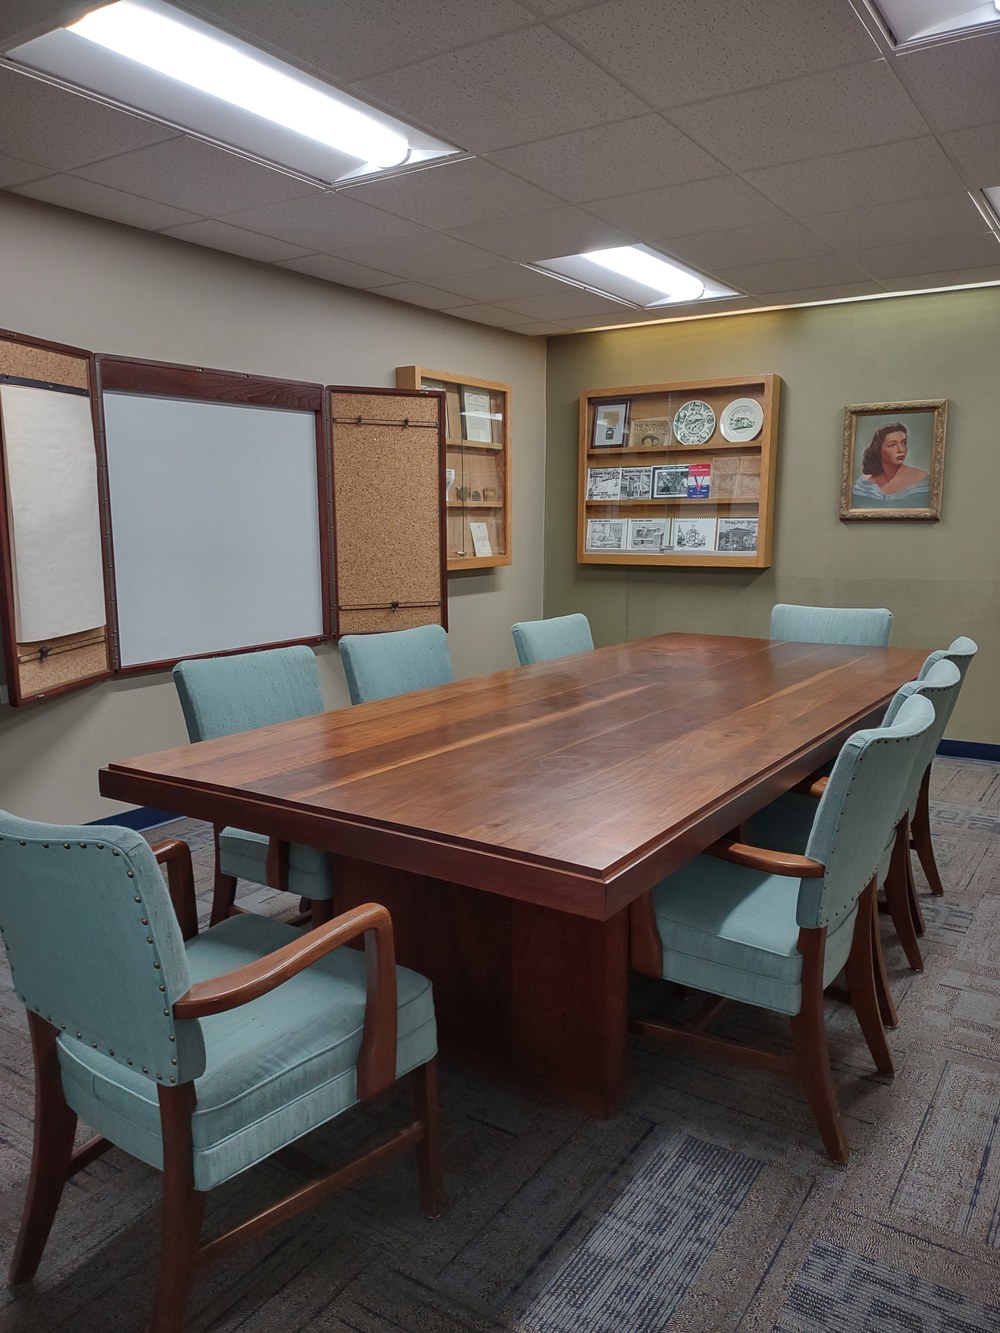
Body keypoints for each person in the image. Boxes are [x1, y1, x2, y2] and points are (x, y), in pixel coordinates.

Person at [852, 421, 930, 506]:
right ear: (878, 449)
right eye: (892, 445)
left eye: (904, 443)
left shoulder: (921, 479)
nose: (901, 449)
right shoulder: (865, 485)